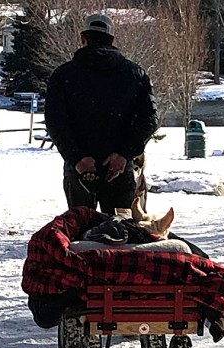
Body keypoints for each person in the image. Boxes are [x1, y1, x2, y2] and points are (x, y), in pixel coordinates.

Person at [45, 13, 158, 215]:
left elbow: (56, 122)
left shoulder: (62, 75)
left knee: (79, 233)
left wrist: (77, 158)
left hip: (80, 169)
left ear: (83, 38)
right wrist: (124, 154)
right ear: (112, 40)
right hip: (119, 169)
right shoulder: (135, 74)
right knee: (122, 234)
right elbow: (149, 120)